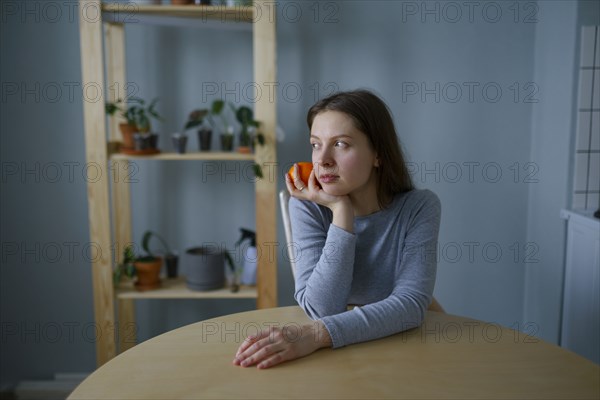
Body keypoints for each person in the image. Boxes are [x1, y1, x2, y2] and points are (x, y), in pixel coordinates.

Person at [233, 89, 441, 369]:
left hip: (403, 341)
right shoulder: (308, 205)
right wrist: (341, 213)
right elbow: (322, 309)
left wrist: (317, 334)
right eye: (316, 144)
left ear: (378, 154)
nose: (323, 160)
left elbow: (411, 306)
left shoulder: (419, 207)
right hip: (342, 351)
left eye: (341, 144)